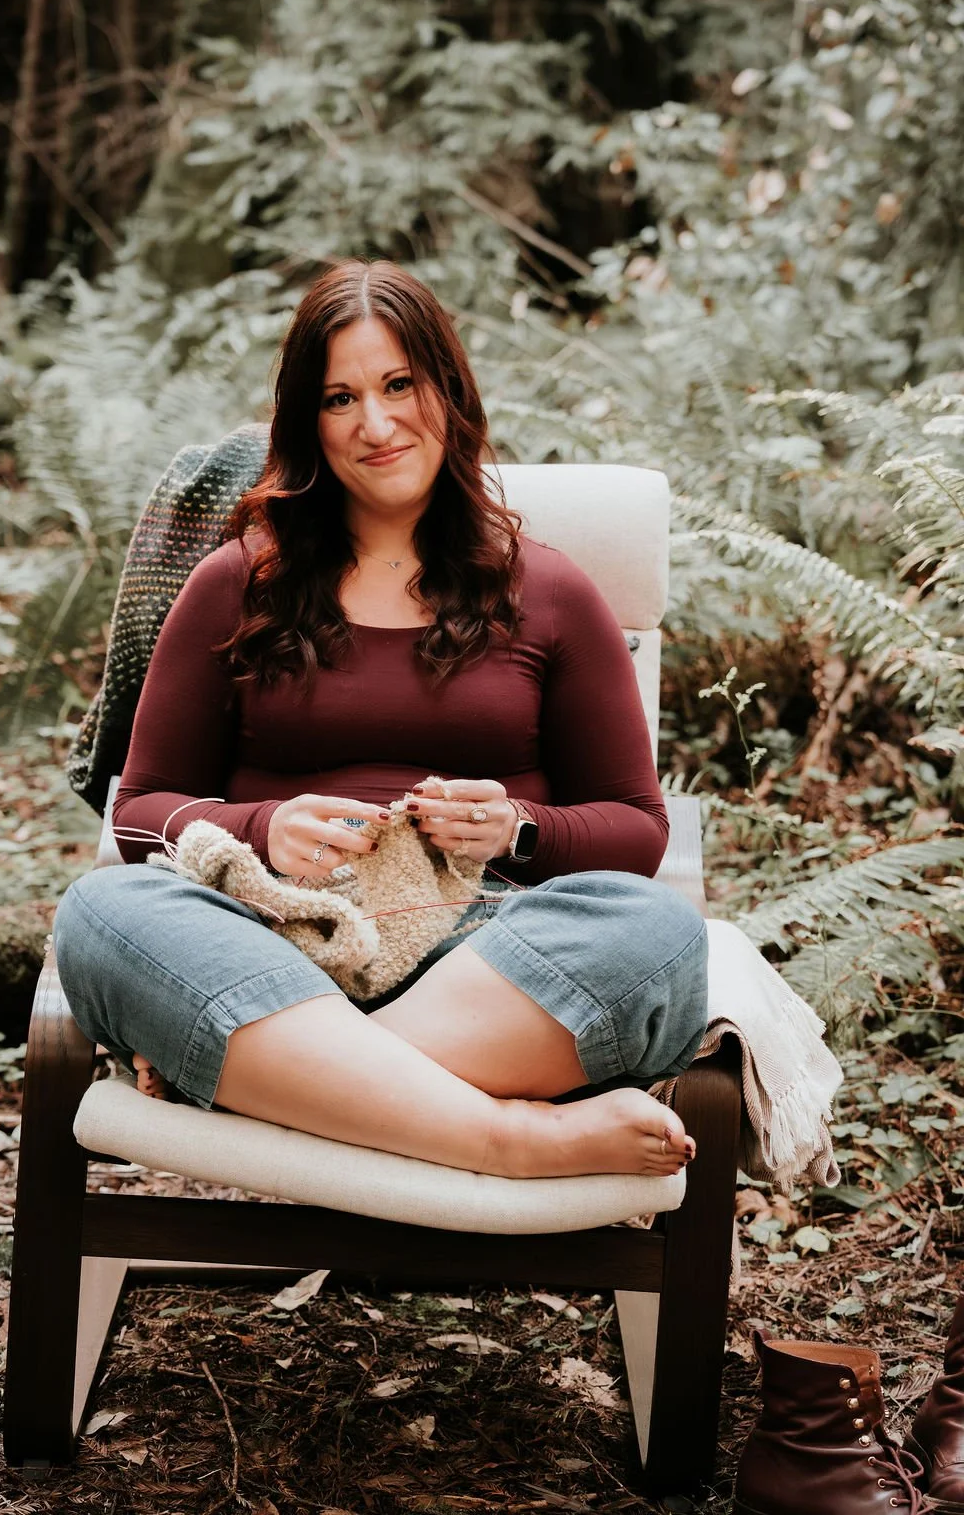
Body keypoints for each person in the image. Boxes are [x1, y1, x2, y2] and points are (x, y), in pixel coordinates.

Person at [53, 258, 709, 1182]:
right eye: (340, 398)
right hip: (269, 943)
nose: (377, 423)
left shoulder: (552, 592)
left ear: (448, 386)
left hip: (485, 961)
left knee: (655, 933)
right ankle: (500, 1136)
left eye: (400, 383)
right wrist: (260, 829)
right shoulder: (236, 584)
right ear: (307, 425)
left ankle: (282, 1080)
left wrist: (515, 828)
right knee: (104, 914)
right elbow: (137, 812)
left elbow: (638, 832)